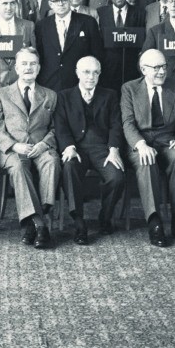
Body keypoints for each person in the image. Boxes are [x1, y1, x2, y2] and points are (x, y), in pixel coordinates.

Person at [121, 49, 175, 247]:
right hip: (140, 142)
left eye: (164, 66)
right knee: (147, 161)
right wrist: (140, 144)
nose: (161, 72)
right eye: (156, 68)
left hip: (168, 140)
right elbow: (127, 123)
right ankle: (155, 223)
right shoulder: (129, 89)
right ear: (143, 69)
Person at [0, 48, 59, 249]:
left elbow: (56, 128)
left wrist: (44, 144)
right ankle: (40, 224)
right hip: (12, 149)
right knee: (19, 167)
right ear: (17, 68)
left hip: (40, 146)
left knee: (52, 161)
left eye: (33, 64)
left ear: (39, 68)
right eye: (24, 64)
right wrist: (15, 145)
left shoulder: (50, 95)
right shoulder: (1, 94)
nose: (28, 68)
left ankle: (34, 219)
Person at [55, 56, 126, 244]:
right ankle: (78, 221)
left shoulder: (110, 95)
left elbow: (116, 125)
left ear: (100, 74)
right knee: (69, 169)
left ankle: (105, 217)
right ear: (77, 73)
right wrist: (68, 147)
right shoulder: (64, 96)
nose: (91, 77)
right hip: (75, 147)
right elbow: (60, 126)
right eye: (86, 72)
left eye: (95, 72)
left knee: (116, 176)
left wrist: (114, 149)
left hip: (102, 148)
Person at [34, 0, 104, 91]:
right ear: (50, 4)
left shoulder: (88, 22)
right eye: (56, 1)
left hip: (79, 84)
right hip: (49, 84)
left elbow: (97, 53)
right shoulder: (41, 26)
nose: (61, 4)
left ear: (70, 0)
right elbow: (40, 56)